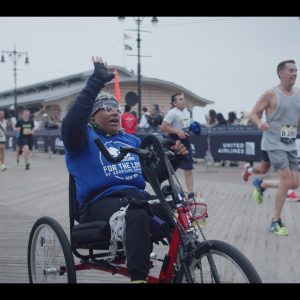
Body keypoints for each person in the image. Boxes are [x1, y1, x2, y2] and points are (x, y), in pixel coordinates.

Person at [61, 56, 188, 283]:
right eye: (106, 108)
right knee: (137, 213)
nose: (114, 112)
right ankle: (138, 279)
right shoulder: (80, 139)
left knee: (179, 209)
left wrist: (174, 160)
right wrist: (96, 81)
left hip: (136, 197)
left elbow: (155, 177)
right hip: (99, 203)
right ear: (91, 116)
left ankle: (181, 269)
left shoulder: (131, 140)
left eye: (116, 108)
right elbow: (72, 121)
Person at [249, 59, 300, 236]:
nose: (294, 73)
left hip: (291, 143)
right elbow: (253, 113)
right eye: (291, 70)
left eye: (296, 70)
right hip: (273, 142)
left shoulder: (298, 94)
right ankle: (275, 221)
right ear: (281, 73)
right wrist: (260, 123)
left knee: (295, 183)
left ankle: (262, 184)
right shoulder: (271, 94)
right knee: (286, 181)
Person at [160, 93, 195, 198]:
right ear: (174, 103)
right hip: (174, 142)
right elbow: (163, 127)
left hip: (186, 141)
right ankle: (164, 192)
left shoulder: (187, 112)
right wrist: (177, 132)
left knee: (189, 168)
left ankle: (191, 194)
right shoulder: (172, 113)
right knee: (169, 169)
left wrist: (190, 129)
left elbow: (185, 126)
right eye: (180, 99)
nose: (183, 101)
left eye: (184, 99)